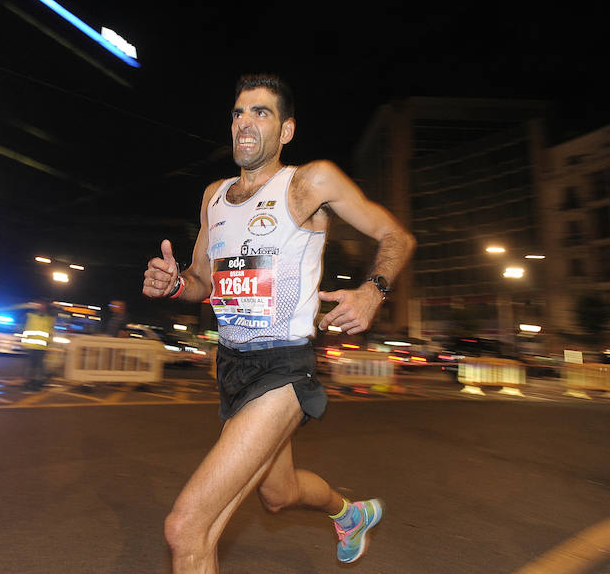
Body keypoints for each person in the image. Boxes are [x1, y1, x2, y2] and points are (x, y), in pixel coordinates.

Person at [143, 73, 415, 571]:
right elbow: (202, 282)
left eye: (260, 113)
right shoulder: (213, 197)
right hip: (230, 368)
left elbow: (396, 235)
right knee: (278, 495)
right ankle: (348, 513)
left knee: (187, 529)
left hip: (284, 369)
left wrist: (373, 292)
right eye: (238, 113)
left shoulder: (310, 181)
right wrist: (175, 284)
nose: (245, 123)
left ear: (286, 130)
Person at [21, 299, 55, 391]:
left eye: (43, 305)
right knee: (30, 366)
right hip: (31, 345)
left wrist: (49, 344)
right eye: (40, 305)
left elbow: (50, 332)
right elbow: (26, 327)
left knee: (40, 366)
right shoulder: (31, 316)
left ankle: (37, 383)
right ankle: (28, 382)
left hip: (42, 346)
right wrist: (24, 342)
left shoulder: (49, 318)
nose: (41, 307)